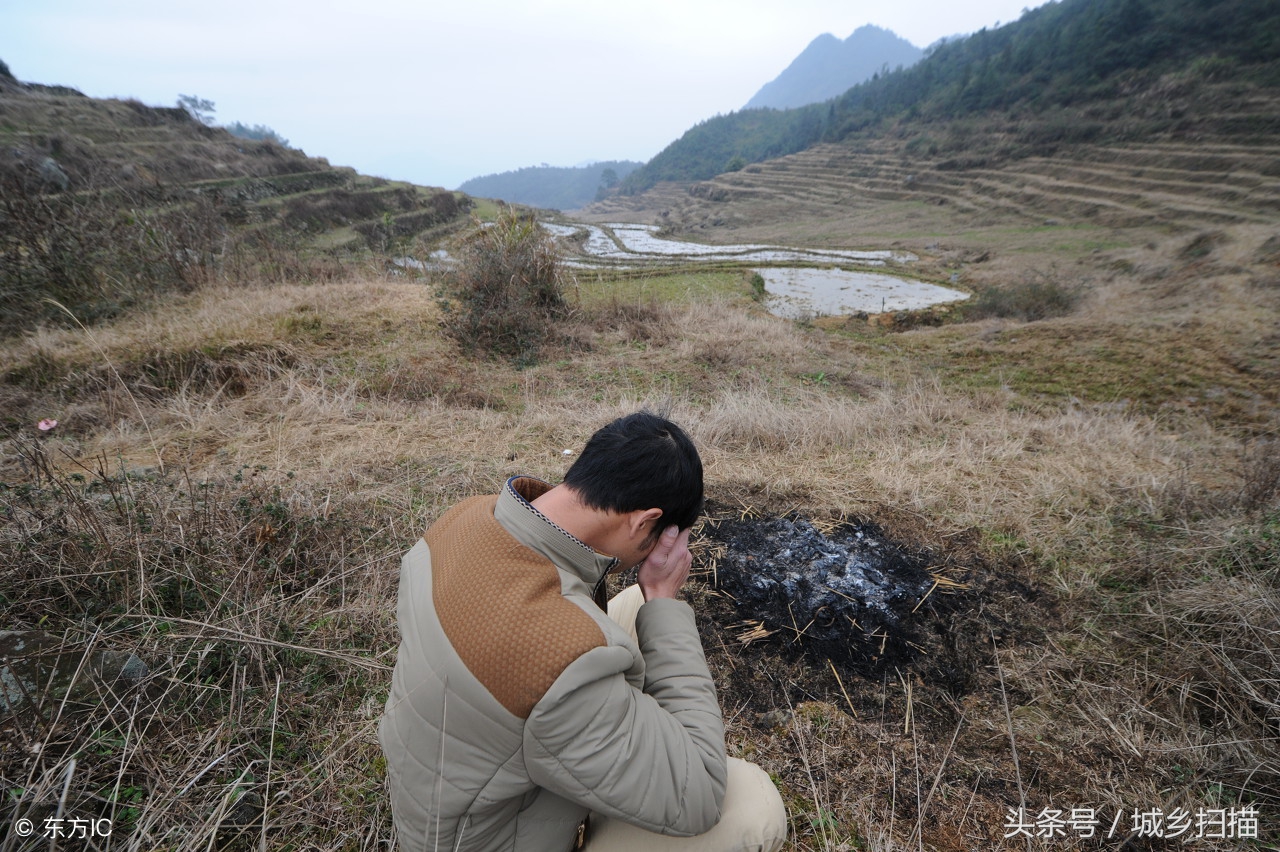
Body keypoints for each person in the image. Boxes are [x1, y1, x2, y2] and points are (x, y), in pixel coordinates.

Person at [379, 411, 787, 852]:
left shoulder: (465, 518)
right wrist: (665, 599)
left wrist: (650, 597)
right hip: (489, 839)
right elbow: (700, 794)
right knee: (748, 804)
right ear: (643, 521)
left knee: (634, 604)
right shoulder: (559, 668)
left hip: (449, 782)